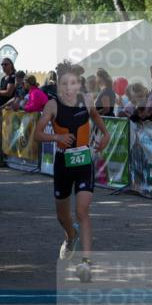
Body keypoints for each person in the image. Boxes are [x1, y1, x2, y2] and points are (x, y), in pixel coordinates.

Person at [32, 61, 110, 283]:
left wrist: (105, 136)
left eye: (73, 83)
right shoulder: (52, 106)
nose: (69, 88)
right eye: (65, 83)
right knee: (62, 215)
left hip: (84, 162)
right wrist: (56, 137)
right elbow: (37, 135)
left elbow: (97, 119)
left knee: (82, 211)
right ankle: (70, 235)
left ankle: (86, 264)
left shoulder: (86, 100)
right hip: (63, 164)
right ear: (59, 85)